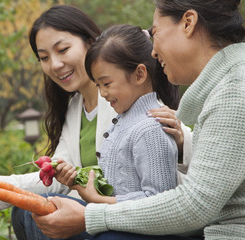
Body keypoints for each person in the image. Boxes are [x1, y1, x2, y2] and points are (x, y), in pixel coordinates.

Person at [32, 1, 245, 239]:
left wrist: (91, 216)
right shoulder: (226, 87)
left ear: (188, 23)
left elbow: (194, 205)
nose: (153, 51)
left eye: (155, 33)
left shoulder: (234, 92)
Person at [58, 24, 180, 206]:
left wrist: (101, 201)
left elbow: (160, 201)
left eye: (106, 84)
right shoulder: (123, 121)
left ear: (139, 74)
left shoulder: (150, 128)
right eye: (98, 85)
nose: (103, 93)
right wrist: (79, 182)